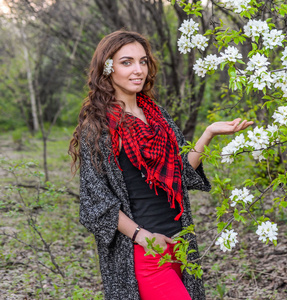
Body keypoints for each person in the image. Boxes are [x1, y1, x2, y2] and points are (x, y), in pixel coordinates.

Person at [68, 30, 252, 300]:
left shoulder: (157, 115)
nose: (138, 70)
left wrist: (208, 134)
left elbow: (181, 173)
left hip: (180, 243)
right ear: (108, 68)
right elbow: (96, 202)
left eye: (142, 61)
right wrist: (142, 236)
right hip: (144, 252)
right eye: (126, 62)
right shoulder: (98, 127)